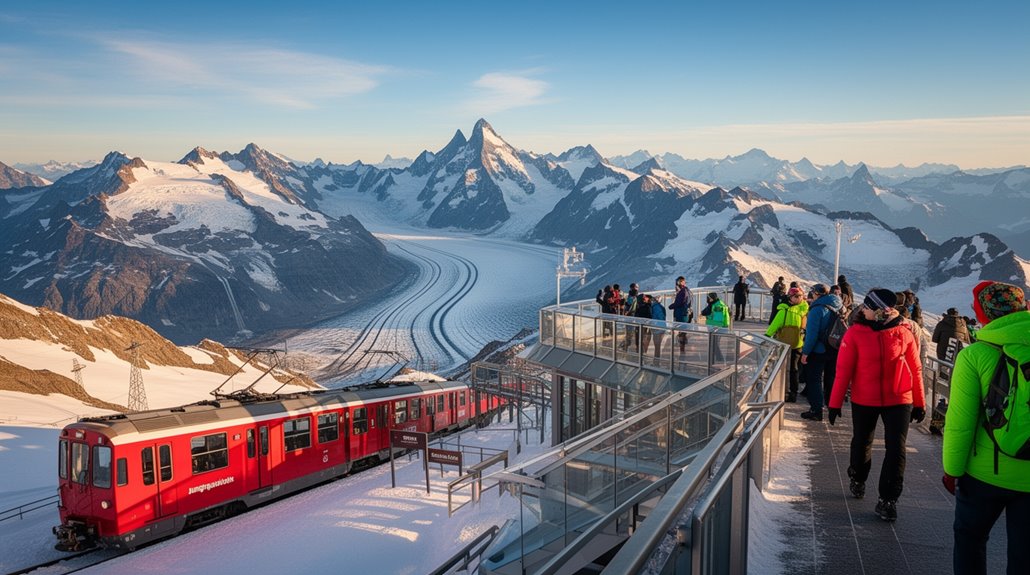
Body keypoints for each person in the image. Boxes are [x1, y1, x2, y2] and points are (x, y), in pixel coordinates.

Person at [942, 281, 1030, 574]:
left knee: (970, 541)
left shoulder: (975, 355)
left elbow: (960, 423)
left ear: (984, 314)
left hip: (984, 474)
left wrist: (952, 470)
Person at [828, 288, 924, 522]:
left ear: (882, 310)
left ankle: (888, 499)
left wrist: (920, 402)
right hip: (865, 398)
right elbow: (843, 372)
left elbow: (916, 368)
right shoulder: (855, 334)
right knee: (862, 441)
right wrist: (835, 403)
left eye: (869, 307)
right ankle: (858, 477)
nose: (863, 309)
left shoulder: (904, 333)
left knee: (896, 449)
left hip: (899, 399)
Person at [800, 283, 843, 421]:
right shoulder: (839, 306)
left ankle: (816, 410)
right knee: (831, 378)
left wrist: (805, 352)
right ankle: (833, 407)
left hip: (819, 350)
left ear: (816, 294)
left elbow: (812, 335)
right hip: (835, 347)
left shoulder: (817, 309)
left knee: (814, 380)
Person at [767, 286, 808, 402]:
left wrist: (767, 336)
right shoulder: (804, 310)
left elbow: (775, 325)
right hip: (798, 342)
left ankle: (783, 391)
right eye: (797, 296)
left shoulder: (784, 310)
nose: (799, 298)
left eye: (800, 296)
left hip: (784, 342)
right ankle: (793, 392)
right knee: (794, 368)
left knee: (783, 367)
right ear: (790, 297)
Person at [668, 276, 693, 354]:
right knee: (683, 331)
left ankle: (682, 350)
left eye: (677, 283)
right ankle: (682, 349)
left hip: (681, 314)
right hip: (686, 313)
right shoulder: (688, 291)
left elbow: (679, 303)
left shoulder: (682, 292)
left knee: (681, 332)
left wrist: (671, 306)